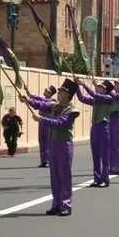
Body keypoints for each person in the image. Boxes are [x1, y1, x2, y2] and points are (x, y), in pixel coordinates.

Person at [21, 79, 80, 216]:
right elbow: (40, 104)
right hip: (53, 143)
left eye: (61, 91)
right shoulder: (55, 106)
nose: (58, 93)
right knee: (54, 175)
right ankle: (56, 204)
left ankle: (66, 205)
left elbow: (61, 123)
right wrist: (27, 100)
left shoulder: (72, 111)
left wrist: (42, 120)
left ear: (68, 94)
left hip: (64, 144)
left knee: (64, 174)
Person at [75, 78, 113, 187]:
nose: (99, 88)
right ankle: (97, 178)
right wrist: (77, 86)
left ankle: (105, 179)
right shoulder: (96, 99)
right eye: (99, 86)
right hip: (95, 127)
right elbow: (82, 98)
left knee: (104, 155)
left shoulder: (108, 98)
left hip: (103, 127)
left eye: (101, 87)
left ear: (105, 90)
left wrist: (84, 85)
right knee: (95, 154)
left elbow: (94, 95)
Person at [25, 85, 57, 167]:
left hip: (48, 122)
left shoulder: (52, 101)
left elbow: (40, 100)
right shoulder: (44, 99)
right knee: (42, 141)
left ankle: (49, 160)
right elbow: (38, 98)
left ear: (50, 93)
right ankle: (44, 160)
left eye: (47, 90)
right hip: (42, 122)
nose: (45, 90)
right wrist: (28, 93)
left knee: (47, 142)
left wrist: (28, 98)